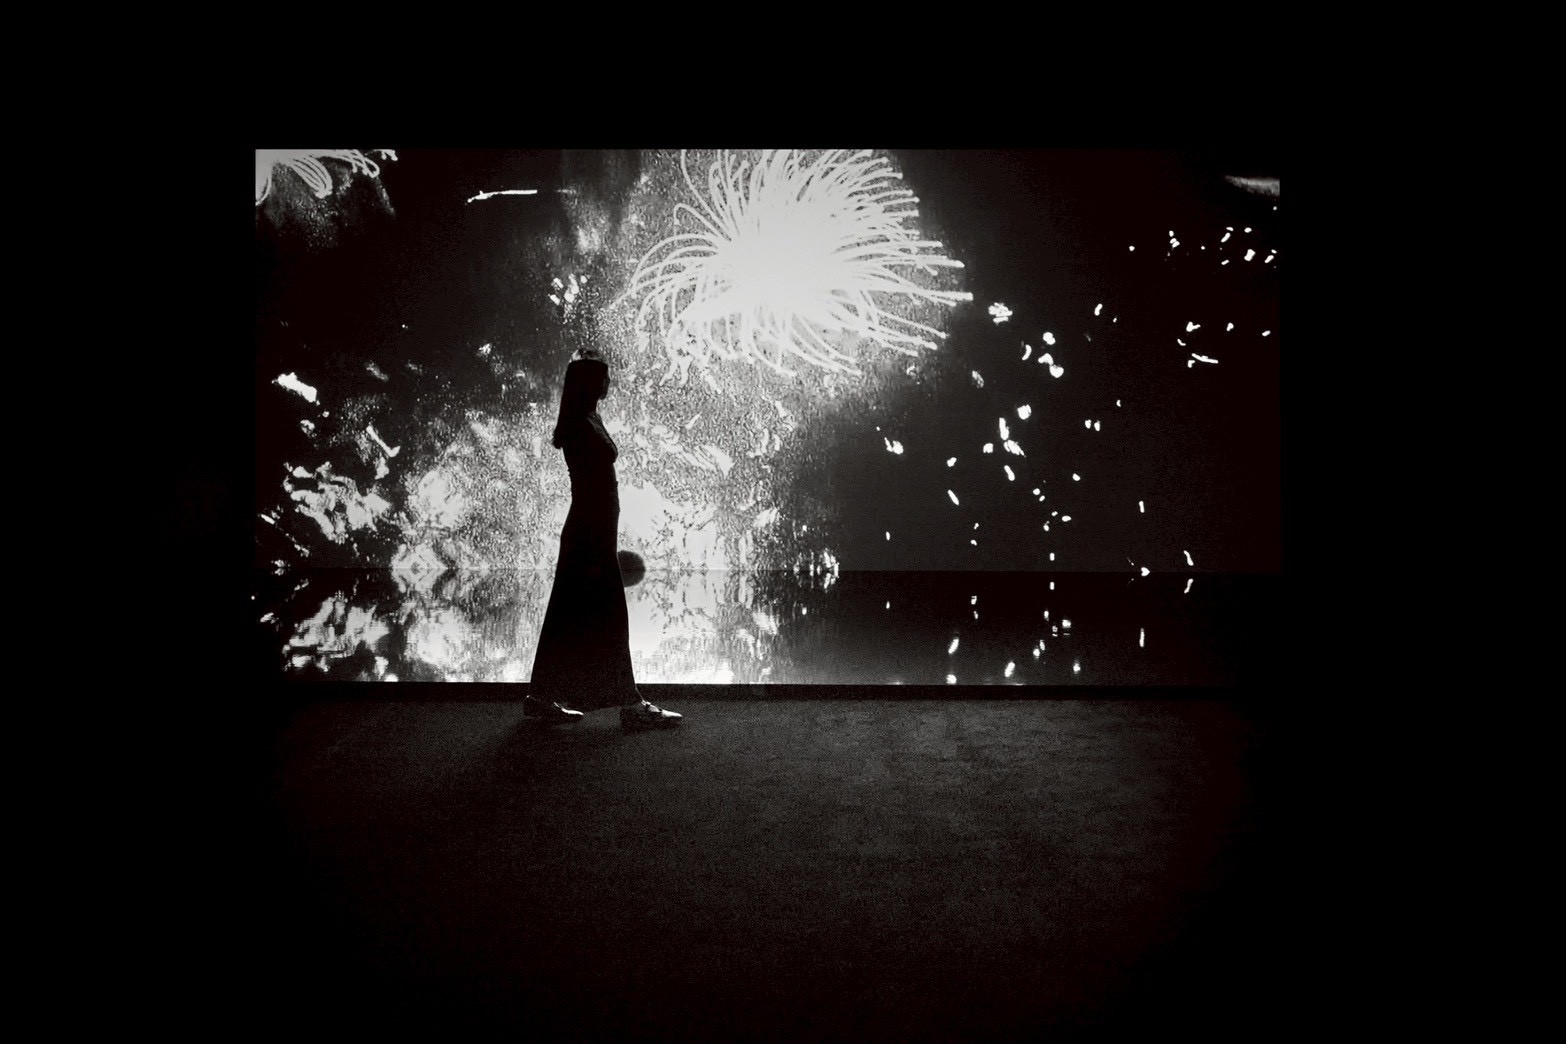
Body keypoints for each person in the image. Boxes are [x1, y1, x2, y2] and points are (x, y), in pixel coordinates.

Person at [525, 348, 682, 731]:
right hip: (590, 533)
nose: (608, 382)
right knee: (608, 617)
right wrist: (598, 547)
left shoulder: (587, 418)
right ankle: (630, 704)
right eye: (602, 377)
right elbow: (592, 488)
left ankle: (542, 697)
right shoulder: (580, 424)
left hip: (593, 530)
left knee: (567, 614)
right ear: (589, 383)